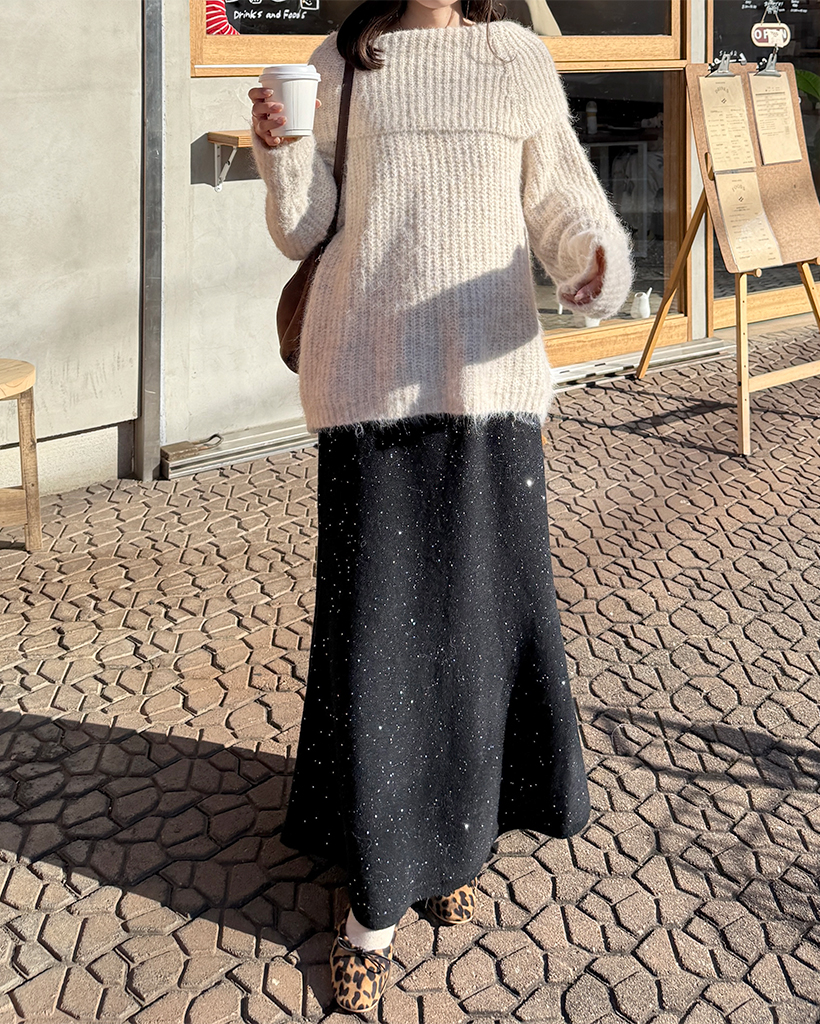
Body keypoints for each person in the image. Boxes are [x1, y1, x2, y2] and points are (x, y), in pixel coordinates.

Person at [248, 0, 632, 1012]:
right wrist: (281, 150)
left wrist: (592, 261)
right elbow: (304, 229)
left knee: (478, 631)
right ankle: (376, 889)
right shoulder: (346, 60)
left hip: (488, 384)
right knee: (377, 636)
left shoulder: (514, 57)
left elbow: (560, 201)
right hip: (366, 378)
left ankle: (456, 840)